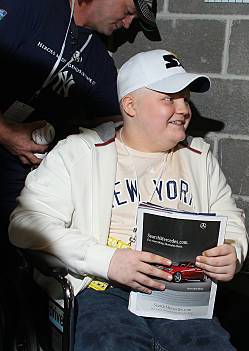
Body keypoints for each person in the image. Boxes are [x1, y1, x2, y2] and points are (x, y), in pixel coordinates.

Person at [9, 49, 247, 351]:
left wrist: (232, 250)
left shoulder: (199, 157)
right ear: (131, 105)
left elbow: (230, 220)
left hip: (178, 293)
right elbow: (25, 223)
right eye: (169, 98)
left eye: (185, 99)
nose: (184, 108)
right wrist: (108, 261)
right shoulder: (79, 153)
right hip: (100, 289)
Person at [0, 0, 160, 268]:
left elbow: (121, 123)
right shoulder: (31, 7)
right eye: (129, 12)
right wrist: (5, 132)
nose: (128, 24)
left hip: (17, 174)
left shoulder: (98, 60)